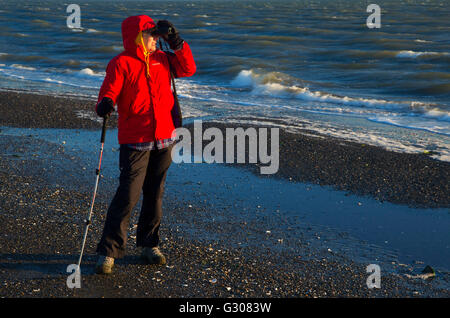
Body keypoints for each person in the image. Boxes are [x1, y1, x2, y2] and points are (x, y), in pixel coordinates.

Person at [94, 15, 196, 274]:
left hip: (165, 137)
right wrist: (105, 104)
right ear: (138, 37)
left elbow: (188, 68)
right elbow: (108, 91)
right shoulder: (121, 63)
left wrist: (176, 41)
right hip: (135, 140)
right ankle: (109, 252)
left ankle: (149, 245)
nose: (156, 39)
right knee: (128, 195)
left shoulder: (164, 59)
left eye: (158, 35)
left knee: (155, 193)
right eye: (152, 34)